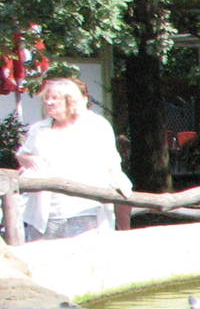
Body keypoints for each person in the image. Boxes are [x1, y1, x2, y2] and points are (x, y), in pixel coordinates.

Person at [15, 76, 131, 241]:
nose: (48, 102)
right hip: (45, 216)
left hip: (86, 211)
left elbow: (111, 166)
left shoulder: (96, 126)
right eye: (46, 98)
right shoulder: (39, 129)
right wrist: (29, 160)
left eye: (54, 98)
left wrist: (122, 201)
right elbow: (22, 155)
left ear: (71, 101)